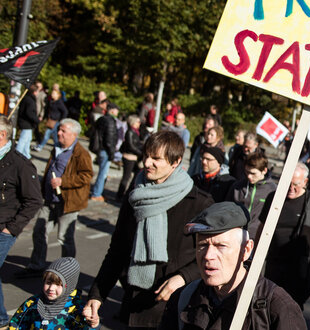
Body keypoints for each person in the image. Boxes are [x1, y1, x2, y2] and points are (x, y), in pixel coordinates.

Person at [84, 131, 214, 328]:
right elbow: (118, 251)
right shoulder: (136, 195)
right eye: (145, 156)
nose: (146, 163)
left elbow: (213, 256)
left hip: (179, 308)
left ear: (175, 162)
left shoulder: (200, 203)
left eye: (155, 158)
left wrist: (182, 278)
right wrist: (97, 295)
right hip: (135, 305)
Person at [158, 202, 305, 329]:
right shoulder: (184, 298)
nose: (208, 255)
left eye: (220, 246)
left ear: (246, 250)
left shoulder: (276, 307)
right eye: (202, 245)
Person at [19, 119, 92, 276]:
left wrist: (62, 181)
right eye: (59, 130)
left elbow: (86, 176)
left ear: (73, 134)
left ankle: (67, 270)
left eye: (63, 131)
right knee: (39, 230)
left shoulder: (81, 154)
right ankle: (37, 265)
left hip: (68, 202)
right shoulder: (56, 148)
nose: (59, 133)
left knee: (64, 237)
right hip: (49, 199)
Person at [258, 165, 310, 308]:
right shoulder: (273, 198)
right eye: (287, 183)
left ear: (305, 182)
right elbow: (262, 227)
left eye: (296, 184)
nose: (291, 188)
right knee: (268, 305)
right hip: (274, 263)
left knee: (290, 309)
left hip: (298, 269)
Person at [0, 115, 43, 328]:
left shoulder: (20, 164)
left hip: (4, 228)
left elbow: (35, 200)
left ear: (2, 134)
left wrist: (11, 229)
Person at [9, 257, 95, 329]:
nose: (51, 288)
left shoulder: (77, 309)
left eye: (58, 284)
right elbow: (16, 325)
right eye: (48, 282)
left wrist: (92, 323)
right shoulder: (32, 304)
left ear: (69, 286)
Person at [225, 152, 275, 235]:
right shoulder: (237, 186)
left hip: (257, 235)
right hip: (235, 233)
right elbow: (226, 208)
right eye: (247, 172)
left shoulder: (272, 190)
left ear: (264, 170)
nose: (249, 176)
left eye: (253, 173)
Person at [90, 102, 119, 202]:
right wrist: (111, 153)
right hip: (105, 150)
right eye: (116, 110)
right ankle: (96, 193)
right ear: (112, 110)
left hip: (100, 148)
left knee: (102, 172)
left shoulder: (102, 119)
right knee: (103, 173)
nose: (117, 112)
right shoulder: (110, 121)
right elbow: (109, 140)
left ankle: (97, 192)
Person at [117, 114, 144, 200]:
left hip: (134, 157)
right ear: (133, 122)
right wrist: (140, 153)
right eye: (138, 122)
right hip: (129, 157)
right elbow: (131, 146)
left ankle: (127, 193)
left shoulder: (136, 132)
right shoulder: (130, 132)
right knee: (126, 177)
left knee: (135, 176)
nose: (139, 123)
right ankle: (119, 195)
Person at [15, 84, 39, 159]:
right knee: (23, 140)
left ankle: (26, 155)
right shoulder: (30, 100)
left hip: (25, 122)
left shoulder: (27, 98)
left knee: (27, 139)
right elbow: (29, 113)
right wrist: (36, 120)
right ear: (34, 92)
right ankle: (17, 155)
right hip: (26, 123)